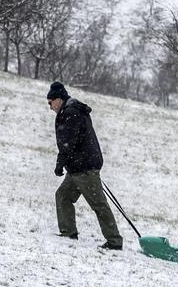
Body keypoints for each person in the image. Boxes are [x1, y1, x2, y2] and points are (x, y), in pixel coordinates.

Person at [47, 81, 123, 250]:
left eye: (50, 102)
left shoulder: (71, 112)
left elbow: (68, 143)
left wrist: (60, 164)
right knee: (63, 196)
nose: (50, 107)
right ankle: (68, 232)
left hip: (84, 168)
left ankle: (115, 241)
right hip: (78, 168)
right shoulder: (71, 110)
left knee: (99, 204)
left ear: (58, 99)